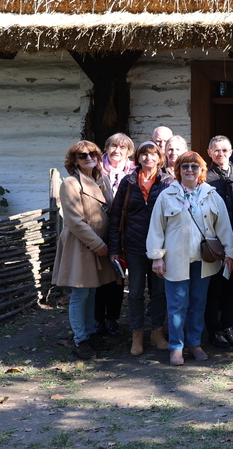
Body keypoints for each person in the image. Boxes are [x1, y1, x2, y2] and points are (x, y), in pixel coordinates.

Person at [147, 151, 233, 365]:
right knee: (177, 305)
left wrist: (230, 254)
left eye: (194, 166)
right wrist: (157, 257)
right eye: (185, 166)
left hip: (204, 260)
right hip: (175, 260)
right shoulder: (166, 195)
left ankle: (194, 343)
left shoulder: (211, 195)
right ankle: (176, 347)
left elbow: (224, 227)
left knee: (198, 304)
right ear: (177, 170)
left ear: (201, 171)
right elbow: (156, 228)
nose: (190, 170)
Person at [53, 141, 118, 359]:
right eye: (82, 155)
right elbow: (75, 221)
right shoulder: (71, 183)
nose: (88, 157)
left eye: (93, 153)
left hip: (100, 244)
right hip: (82, 245)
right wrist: (99, 245)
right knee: (81, 293)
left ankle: (90, 335)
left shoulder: (102, 179)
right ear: (74, 161)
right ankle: (80, 340)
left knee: (92, 291)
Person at [108, 141, 173, 355]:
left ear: (159, 158)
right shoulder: (128, 182)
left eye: (153, 155)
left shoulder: (168, 181)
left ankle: (157, 332)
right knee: (135, 292)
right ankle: (136, 334)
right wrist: (115, 248)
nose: (148, 159)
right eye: (144, 155)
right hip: (134, 247)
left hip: (161, 247)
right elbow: (116, 215)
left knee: (159, 291)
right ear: (138, 158)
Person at [204, 135, 233, 349]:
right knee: (213, 288)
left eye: (224, 150)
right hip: (214, 244)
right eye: (216, 150)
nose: (220, 154)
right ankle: (212, 330)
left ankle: (228, 327)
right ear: (209, 152)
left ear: (231, 152)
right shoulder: (205, 178)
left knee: (231, 287)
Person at [95, 132, 137, 336]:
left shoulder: (134, 172)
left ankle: (112, 318)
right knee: (98, 275)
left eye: (122, 147)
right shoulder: (95, 169)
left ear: (129, 152)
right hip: (99, 229)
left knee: (118, 275)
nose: (116, 151)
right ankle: (97, 319)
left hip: (122, 232)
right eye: (113, 146)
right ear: (106, 147)